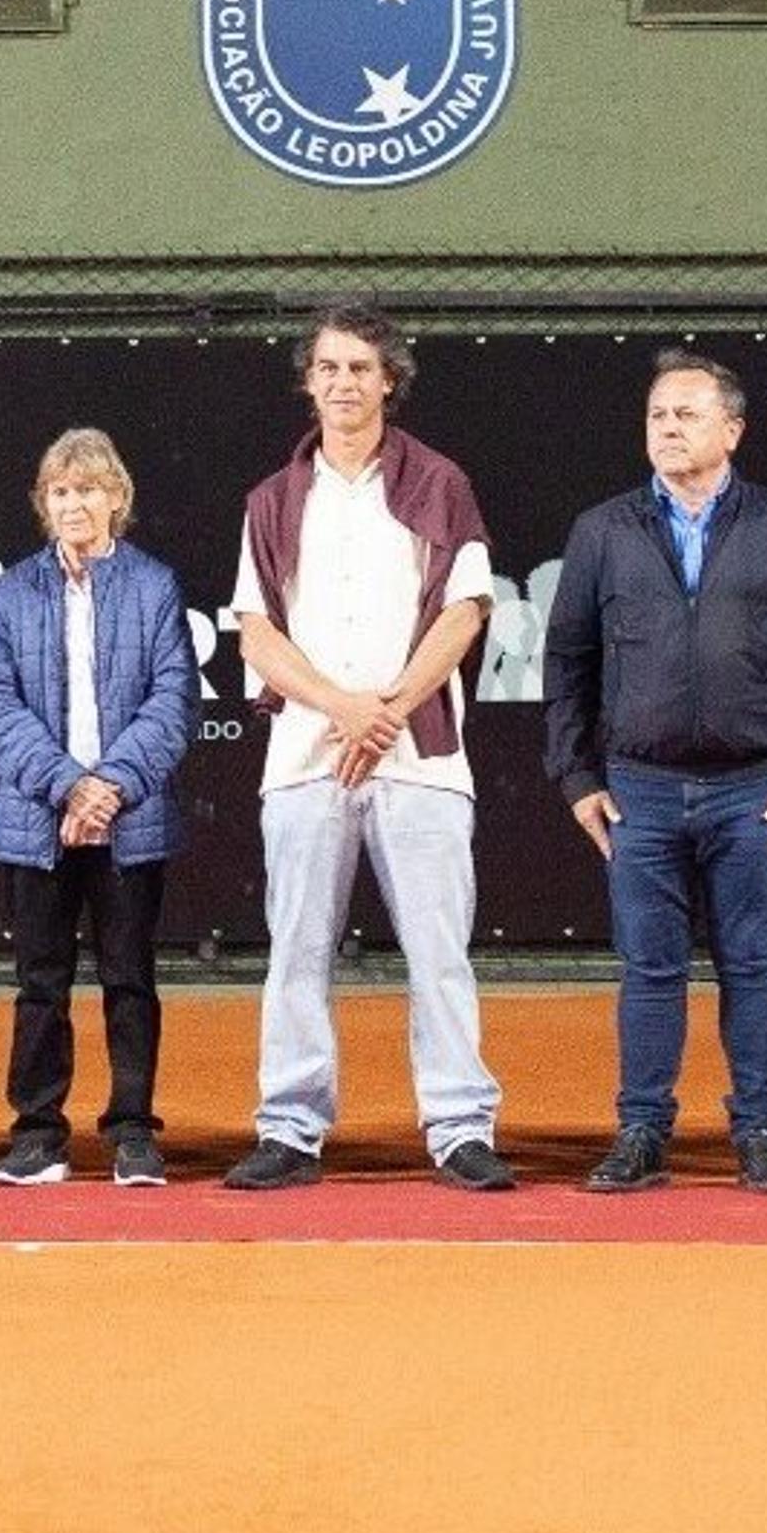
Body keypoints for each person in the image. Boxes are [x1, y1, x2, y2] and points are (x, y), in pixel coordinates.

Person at [542, 349, 767, 1195]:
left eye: (686, 414)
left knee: (751, 963)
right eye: (657, 416)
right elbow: (566, 659)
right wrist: (576, 777)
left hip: (752, 790)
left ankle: (757, 1128)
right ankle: (642, 1131)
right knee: (648, 968)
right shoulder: (603, 530)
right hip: (636, 790)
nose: (668, 429)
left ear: (733, 429)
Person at [224, 304, 515, 1195]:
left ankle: (461, 1127)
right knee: (296, 950)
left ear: (390, 379)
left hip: (422, 760)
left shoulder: (439, 482)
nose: (344, 383)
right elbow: (257, 633)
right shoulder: (274, 499)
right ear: (308, 383)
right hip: (308, 760)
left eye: (360, 368)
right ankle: (291, 1126)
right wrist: (345, 708)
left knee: (438, 952)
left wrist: (386, 711)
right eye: (328, 368)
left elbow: (465, 612)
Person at [0, 428, 193, 1186]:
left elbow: (172, 700)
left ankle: (132, 1130)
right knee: (40, 982)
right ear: (44, 503)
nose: (74, 503)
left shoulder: (154, 587)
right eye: (60, 491)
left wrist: (110, 788)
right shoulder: (7, 594)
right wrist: (68, 785)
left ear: (116, 500)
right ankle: (37, 1132)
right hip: (38, 821)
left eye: (88, 489)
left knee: (130, 978)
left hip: (129, 823)